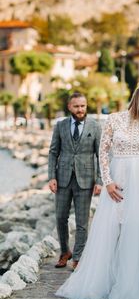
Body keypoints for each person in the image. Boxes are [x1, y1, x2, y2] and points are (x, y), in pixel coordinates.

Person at [56, 82, 139, 299]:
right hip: (118, 181)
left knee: (138, 229)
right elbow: (103, 151)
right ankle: (109, 281)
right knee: (112, 229)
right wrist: (107, 181)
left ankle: (138, 282)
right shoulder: (114, 119)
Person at [48, 92, 102, 270]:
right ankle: (65, 252)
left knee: (81, 222)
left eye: (83, 106)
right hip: (62, 178)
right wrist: (52, 177)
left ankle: (78, 256)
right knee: (60, 218)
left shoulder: (95, 126)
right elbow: (53, 152)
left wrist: (100, 180)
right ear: (69, 107)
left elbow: (100, 155)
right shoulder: (60, 125)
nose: (80, 109)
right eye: (77, 106)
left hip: (85, 180)